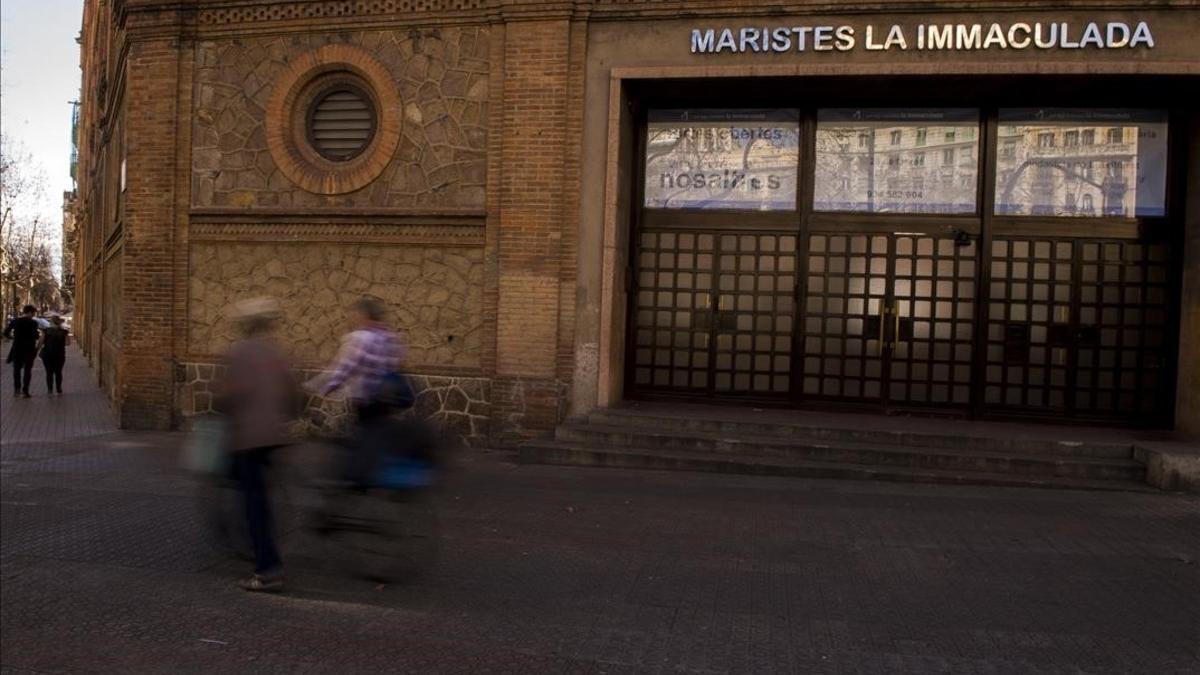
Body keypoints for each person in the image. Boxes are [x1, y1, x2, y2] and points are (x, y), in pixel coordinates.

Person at [216, 297, 297, 593]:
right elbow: (292, 391)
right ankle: (263, 551)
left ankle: (267, 570)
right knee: (260, 495)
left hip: (249, 438)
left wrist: (221, 403)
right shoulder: (276, 352)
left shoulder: (241, 353)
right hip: (275, 435)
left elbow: (233, 392)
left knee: (254, 505)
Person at [310, 297, 404, 487]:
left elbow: (346, 367)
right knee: (375, 434)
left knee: (364, 433)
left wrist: (328, 386)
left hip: (366, 397)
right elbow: (395, 366)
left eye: (359, 315)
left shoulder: (361, 338)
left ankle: (358, 477)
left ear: (366, 316)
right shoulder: (391, 338)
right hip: (385, 397)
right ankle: (373, 473)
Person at [4, 305, 41, 398]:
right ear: (29, 312)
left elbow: (6, 332)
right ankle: (25, 391)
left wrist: (13, 338)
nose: (33, 315)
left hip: (17, 348)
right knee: (27, 370)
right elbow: (36, 336)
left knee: (17, 370)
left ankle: (17, 390)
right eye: (33, 313)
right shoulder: (33, 323)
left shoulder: (15, 321)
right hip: (29, 349)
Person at [38, 315, 70, 395]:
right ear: (59, 322)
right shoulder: (64, 332)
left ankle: (50, 390)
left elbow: (40, 342)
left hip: (47, 354)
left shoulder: (46, 331)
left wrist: (37, 350)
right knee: (58, 372)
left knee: (49, 372)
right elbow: (67, 343)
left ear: (51, 322)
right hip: (59, 354)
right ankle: (59, 389)